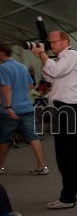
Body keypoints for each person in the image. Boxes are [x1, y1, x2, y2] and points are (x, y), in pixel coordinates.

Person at [31, 31, 77, 209]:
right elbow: (50, 76)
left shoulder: (71, 55)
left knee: (66, 154)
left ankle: (68, 197)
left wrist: (42, 54)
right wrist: (44, 57)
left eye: (53, 42)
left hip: (66, 108)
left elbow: (54, 71)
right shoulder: (66, 58)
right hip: (69, 108)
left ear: (65, 41)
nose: (50, 45)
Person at [0, 43, 49, 175]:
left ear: (1, 52)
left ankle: (0, 166)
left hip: (10, 110)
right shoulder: (22, 67)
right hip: (26, 107)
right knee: (33, 137)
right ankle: (42, 166)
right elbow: (30, 86)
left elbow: (6, 87)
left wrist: (8, 106)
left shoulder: (3, 68)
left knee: (4, 139)